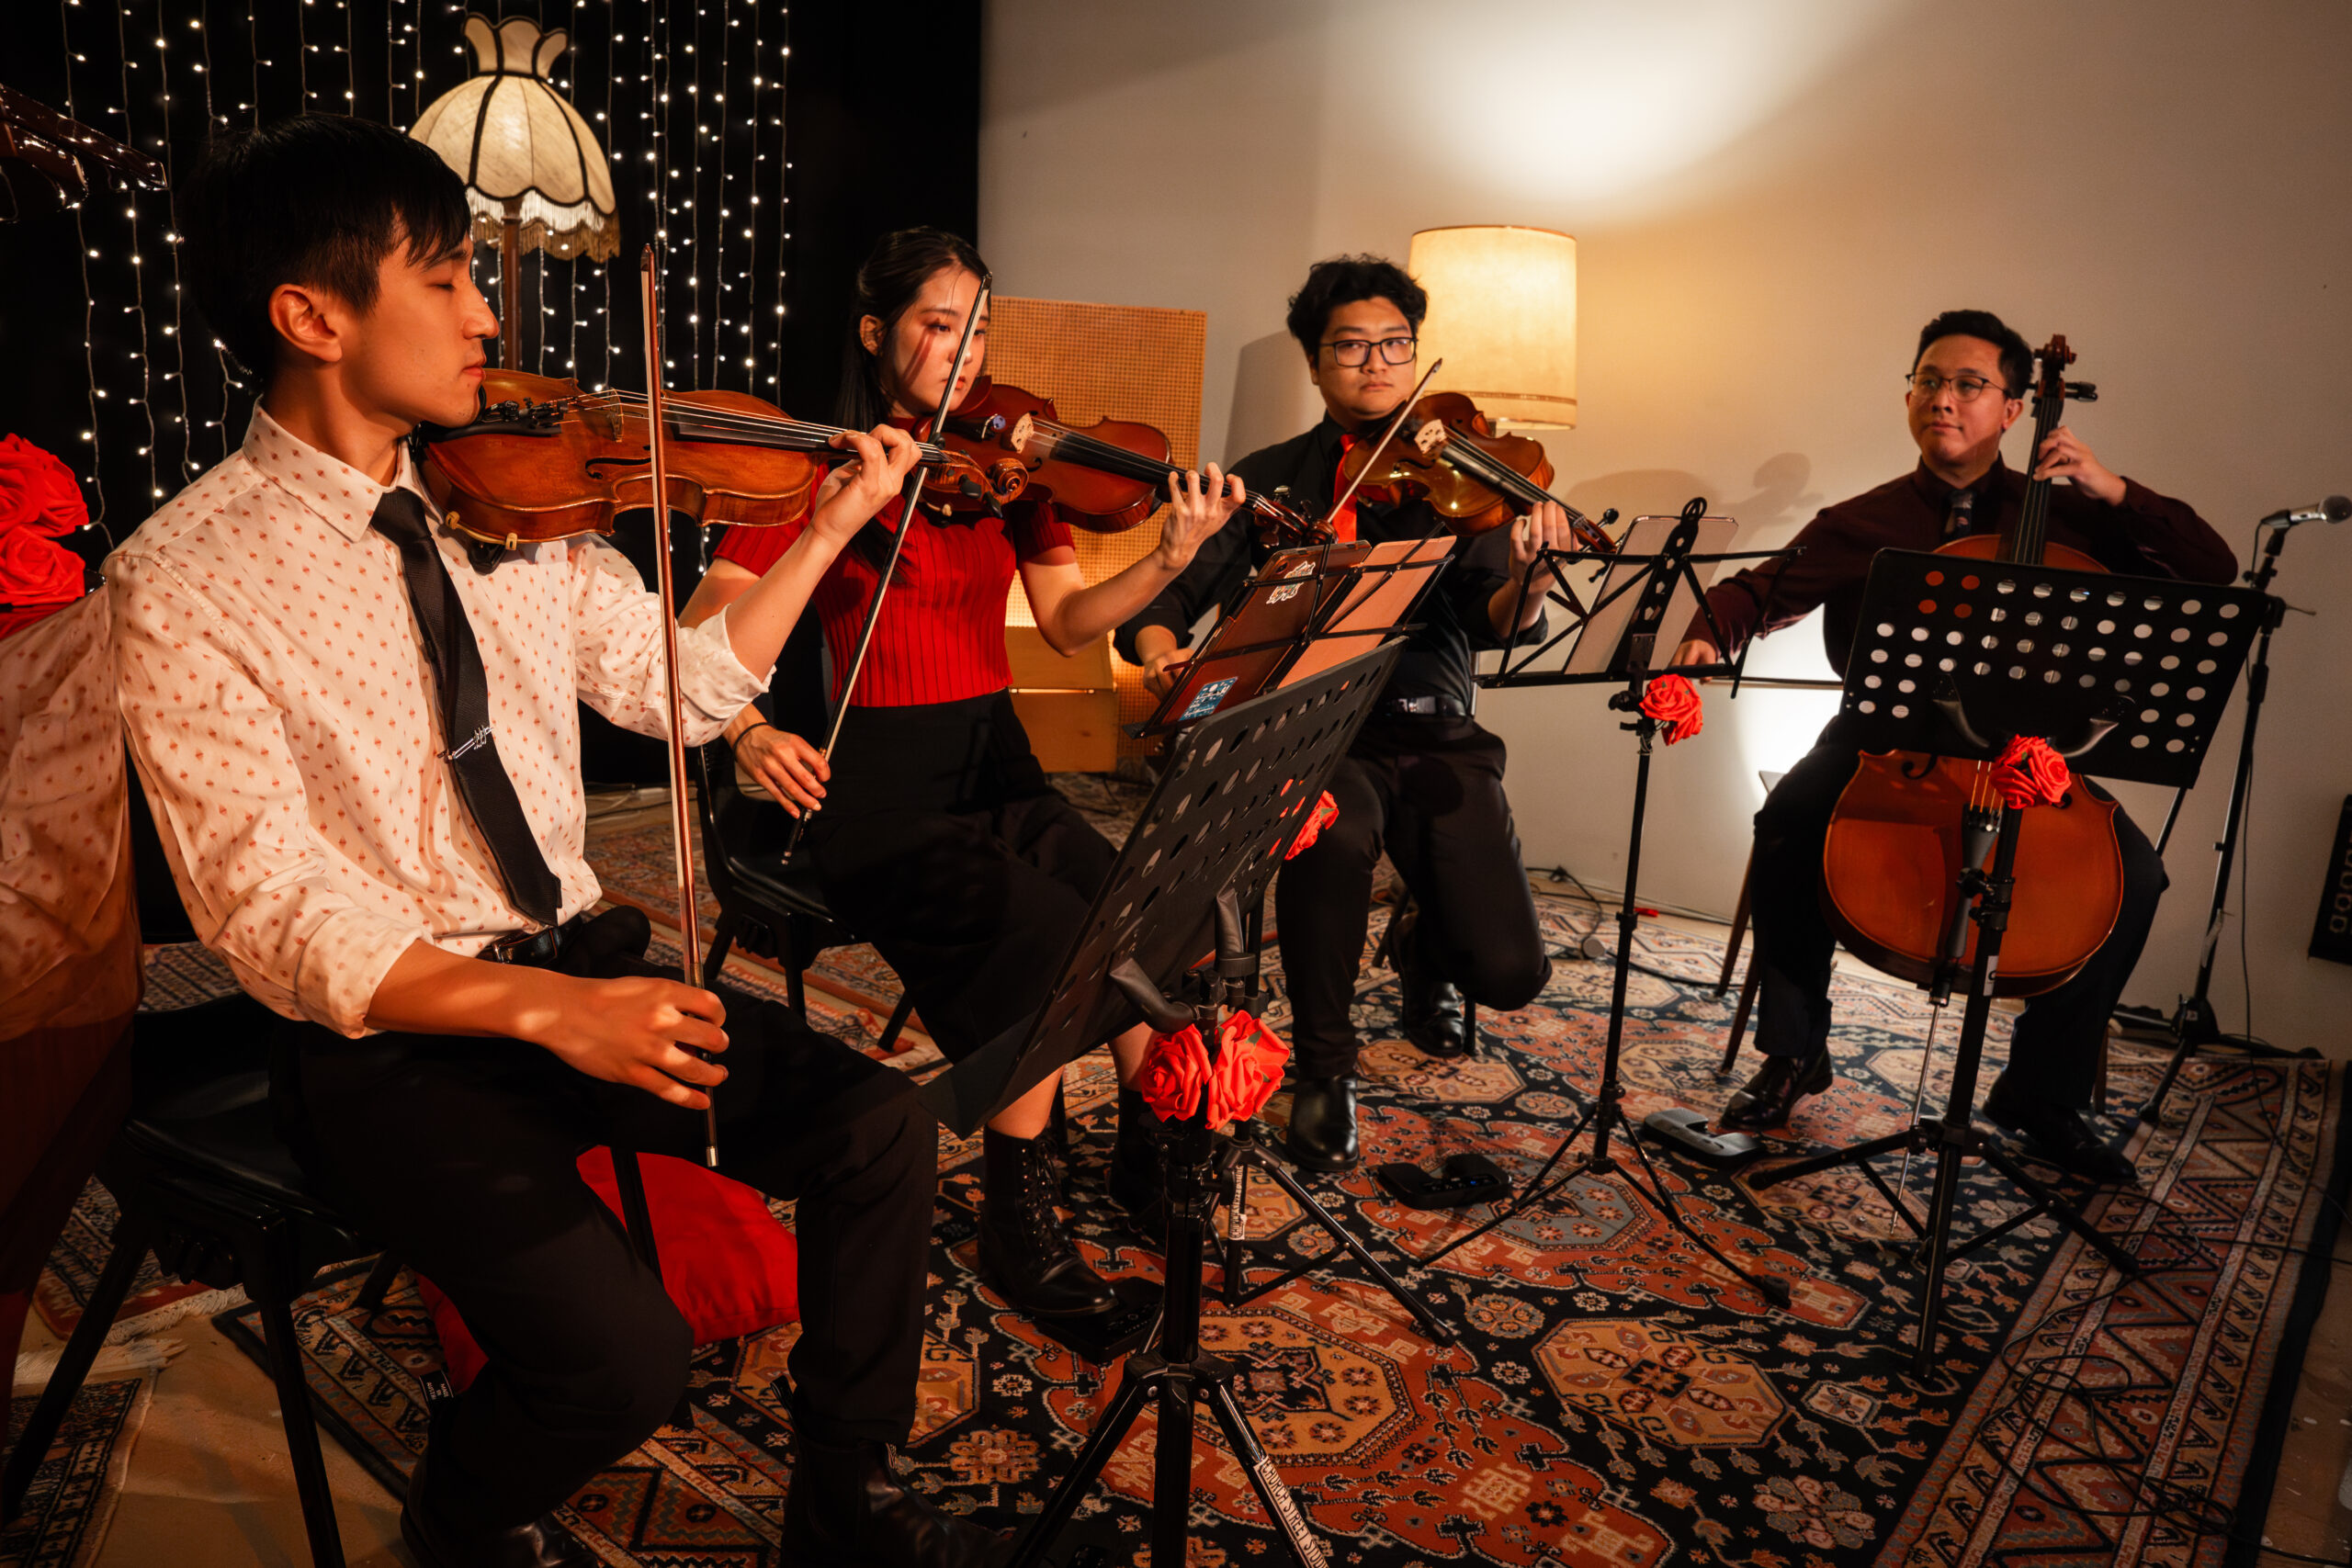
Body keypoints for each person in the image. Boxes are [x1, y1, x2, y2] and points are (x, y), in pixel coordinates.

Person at [111, 118, 1001, 1568]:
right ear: (313, 316)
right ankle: (454, 1513)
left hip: (583, 967)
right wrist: (544, 1010)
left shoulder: (512, 498)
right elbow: (272, 911)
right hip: (395, 1040)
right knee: (623, 1364)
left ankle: (848, 1497)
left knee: (879, 1126)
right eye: (448, 278)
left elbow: (678, 688)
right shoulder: (180, 576)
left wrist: (831, 523)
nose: (487, 316)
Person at [677, 228, 1248, 1321]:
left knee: (1138, 909)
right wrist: (746, 734)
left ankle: (1146, 1149)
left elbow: (1071, 624)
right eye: (940, 325)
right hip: (873, 788)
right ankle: (1015, 1221)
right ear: (874, 331)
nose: (966, 351)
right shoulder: (821, 469)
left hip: (997, 763)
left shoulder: (1009, 476)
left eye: (978, 329)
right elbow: (700, 631)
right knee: (1044, 945)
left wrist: (1171, 559)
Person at [1674, 308, 2235, 1179]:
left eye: (1969, 384)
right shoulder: (1863, 520)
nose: (1943, 398)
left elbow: (2212, 567)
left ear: (2014, 408)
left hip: (2029, 756)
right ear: (1909, 396)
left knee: (2138, 878)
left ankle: (2041, 1093)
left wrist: (2115, 489)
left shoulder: (2076, 516)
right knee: (1786, 822)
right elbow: (1759, 590)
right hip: (1887, 741)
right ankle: (1795, 1051)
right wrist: (1707, 636)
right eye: (1929, 380)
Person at [1115, 254, 1577, 1174]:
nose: (1376, 363)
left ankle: (1423, 944)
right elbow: (1167, 603)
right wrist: (1163, 652)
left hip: (1432, 724)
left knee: (1509, 973)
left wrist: (1529, 575)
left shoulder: (1467, 477)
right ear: (1316, 363)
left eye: (1396, 345)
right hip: (1313, 727)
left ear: (1416, 354)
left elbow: (1496, 623)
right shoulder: (1272, 478)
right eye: (1352, 346)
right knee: (1330, 835)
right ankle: (1327, 1069)